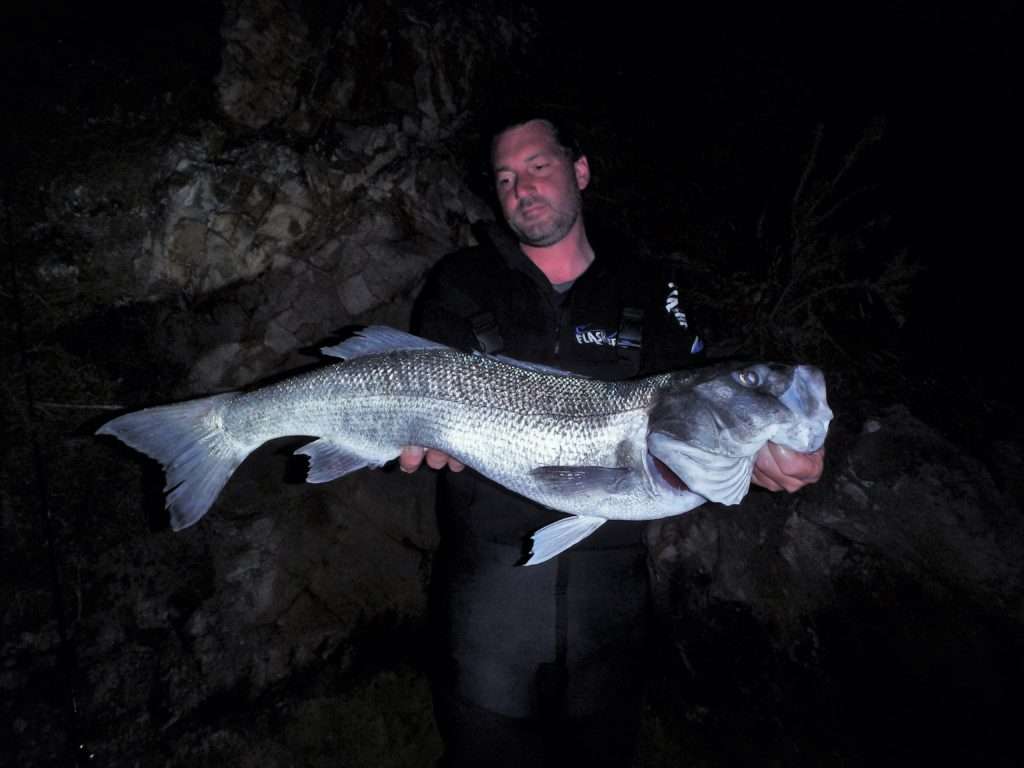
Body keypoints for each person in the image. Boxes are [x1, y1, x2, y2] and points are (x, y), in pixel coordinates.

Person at [402, 115, 824, 767]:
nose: (522, 188)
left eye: (539, 166)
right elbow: (416, 392)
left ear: (580, 171)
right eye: (506, 177)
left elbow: (700, 400)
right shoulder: (462, 283)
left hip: (612, 612)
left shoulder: (652, 290)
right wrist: (413, 435)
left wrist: (766, 454)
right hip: (486, 596)